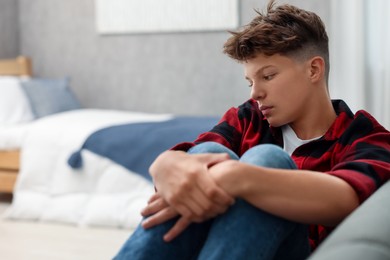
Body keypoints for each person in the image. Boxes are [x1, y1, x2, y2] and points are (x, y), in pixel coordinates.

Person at [114, 1, 390, 259]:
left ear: (314, 70)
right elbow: (196, 155)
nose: (256, 93)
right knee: (209, 152)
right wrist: (165, 163)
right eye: (250, 82)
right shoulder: (249, 118)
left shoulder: (366, 136)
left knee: (270, 161)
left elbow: (350, 198)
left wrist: (240, 177)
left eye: (268, 76)